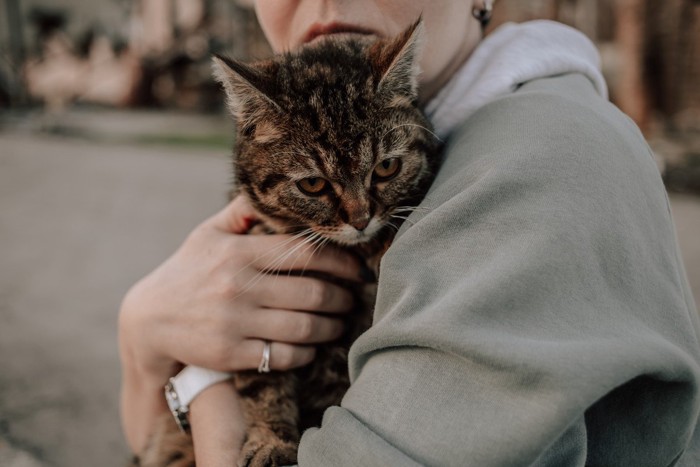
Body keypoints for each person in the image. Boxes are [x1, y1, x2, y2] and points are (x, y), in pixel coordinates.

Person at [119, 1, 700, 465]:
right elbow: (141, 434)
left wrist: (198, 381)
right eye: (318, 189)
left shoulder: (540, 150)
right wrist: (144, 334)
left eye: (387, 171)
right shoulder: (438, 122)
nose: (358, 218)